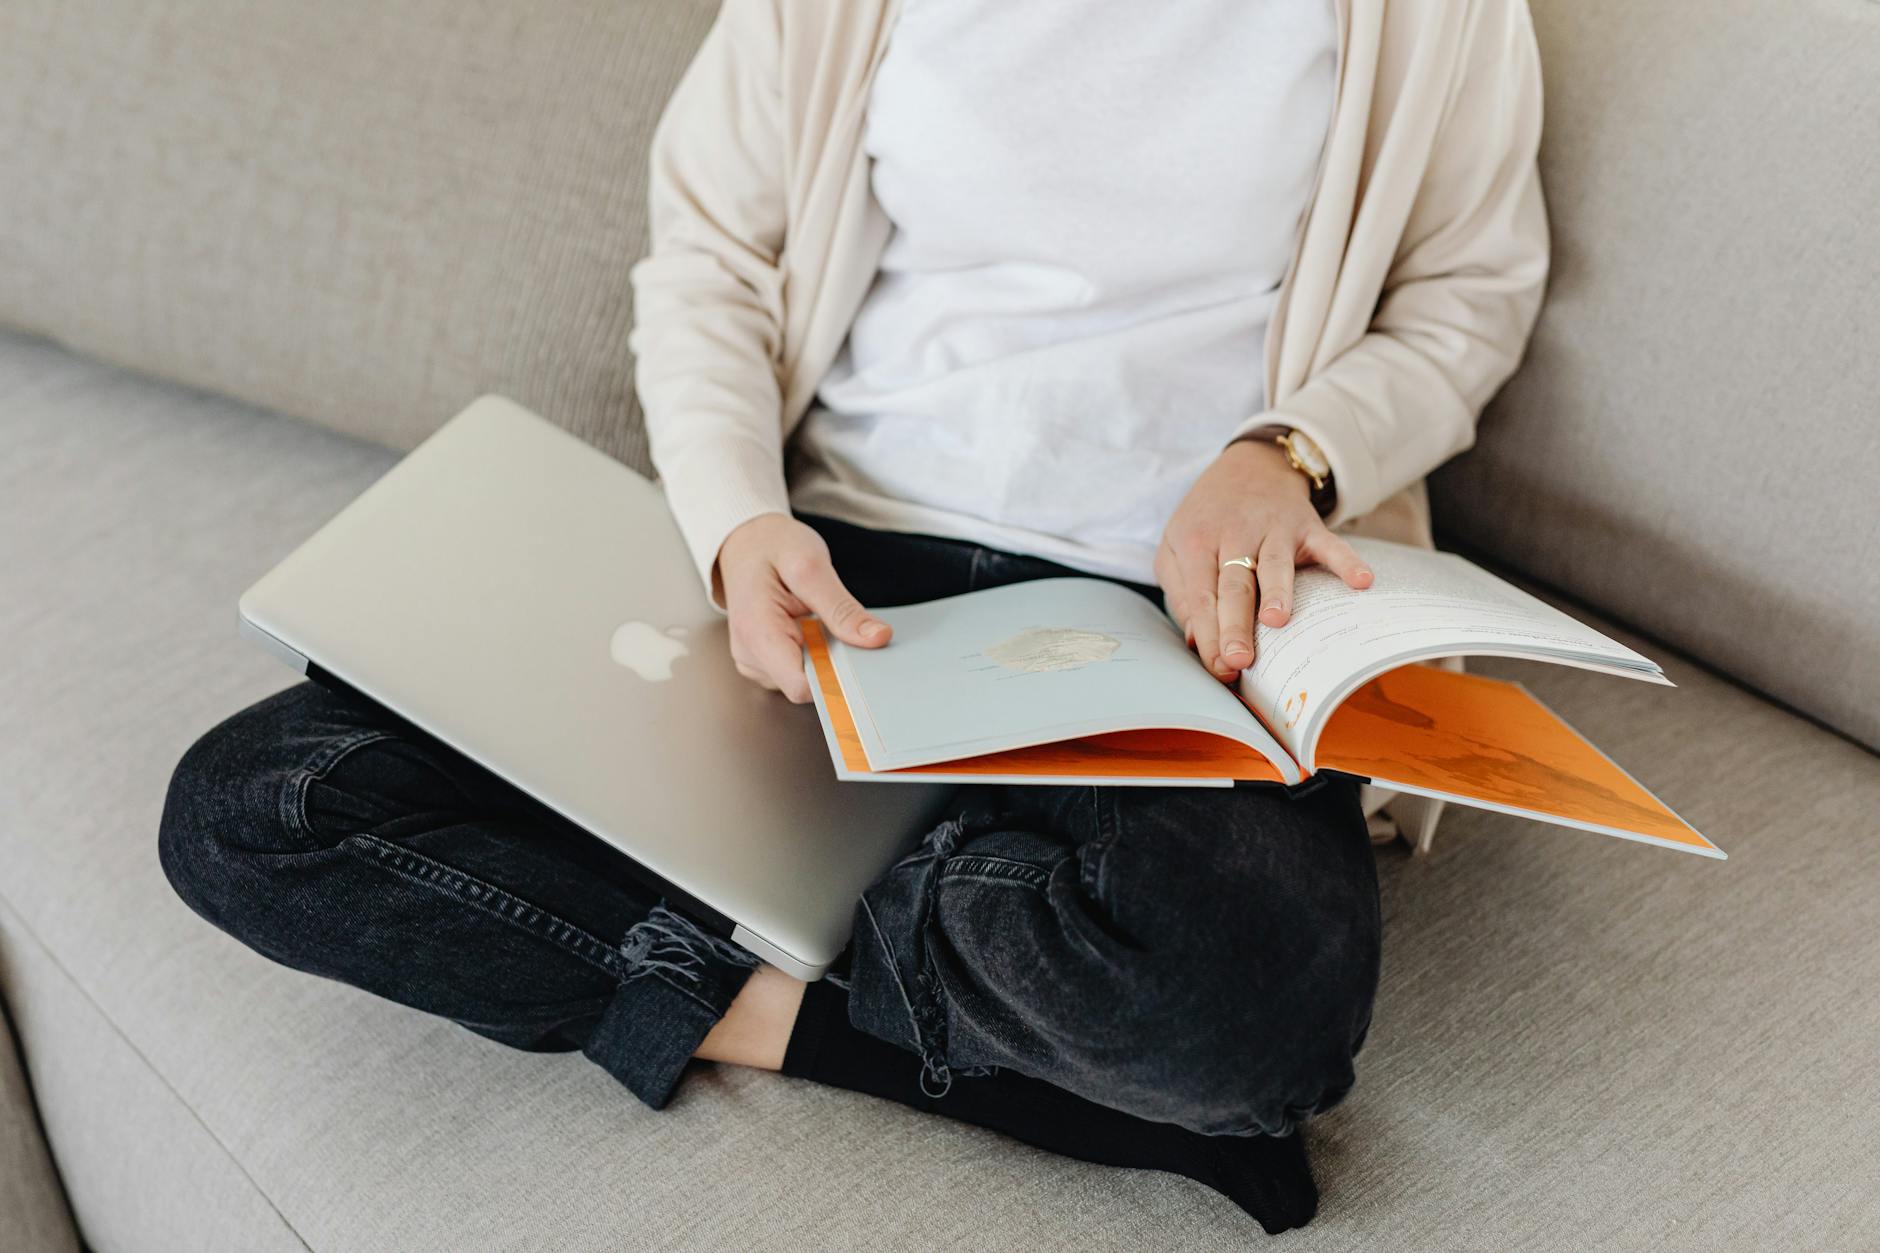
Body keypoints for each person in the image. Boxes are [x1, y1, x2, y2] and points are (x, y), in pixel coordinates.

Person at [158, 0, 1547, 1234]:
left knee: (1260, 1011)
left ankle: (769, 931)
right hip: (843, 578)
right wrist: (735, 524)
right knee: (258, 805)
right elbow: (709, 261)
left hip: (1173, 621)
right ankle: (935, 1035)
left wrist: (1290, 451)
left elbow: (1468, 297)